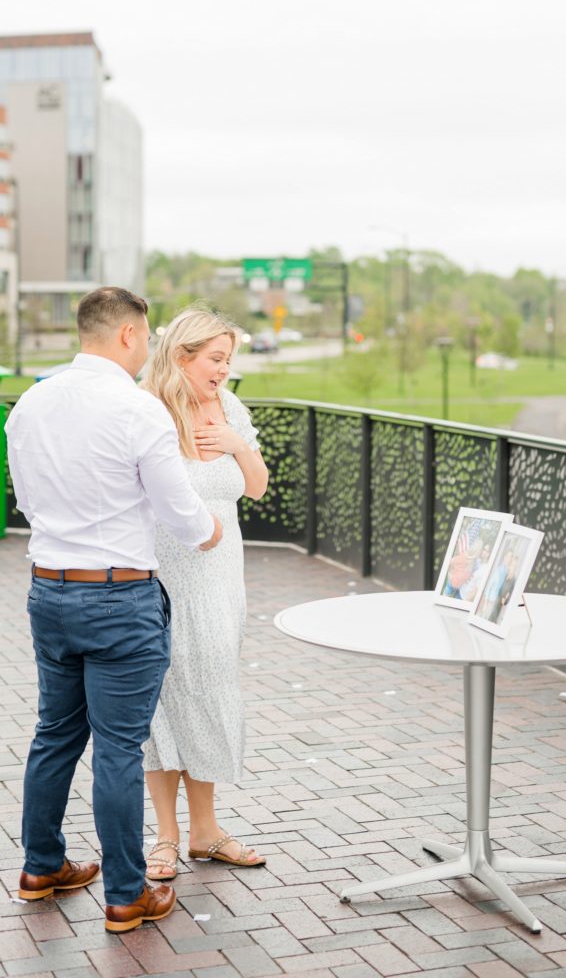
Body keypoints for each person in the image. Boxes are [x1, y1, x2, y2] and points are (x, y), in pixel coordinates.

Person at [5, 287, 223, 933]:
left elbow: (26, 501)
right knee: (119, 750)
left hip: (49, 591)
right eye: (147, 337)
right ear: (128, 334)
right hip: (119, 597)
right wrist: (209, 529)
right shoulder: (137, 408)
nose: (148, 347)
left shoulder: (30, 403)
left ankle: (42, 867)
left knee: (54, 734)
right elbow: (182, 513)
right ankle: (127, 894)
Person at [141, 308, 269, 881]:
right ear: (182, 355)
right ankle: (165, 837)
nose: (223, 370)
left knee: (211, 689)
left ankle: (206, 831)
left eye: (228, 360)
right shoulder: (148, 410)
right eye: (216, 359)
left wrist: (238, 444)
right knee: (163, 697)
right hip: (163, 575)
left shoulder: (231, 407)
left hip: (220, 575)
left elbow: (257, 487)